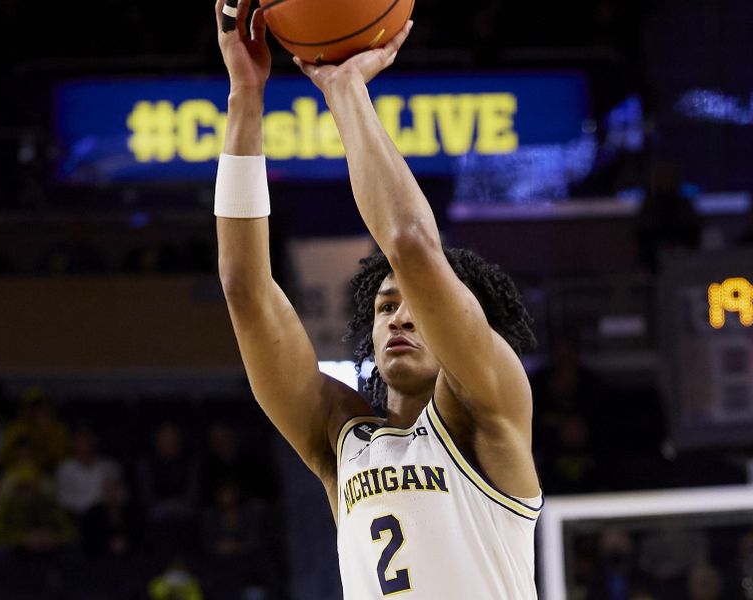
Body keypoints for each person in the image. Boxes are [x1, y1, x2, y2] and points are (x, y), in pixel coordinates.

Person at [213, 1, 542, 598]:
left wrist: (345, 90)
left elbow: (412, 245)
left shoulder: (491, 407)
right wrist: (245, 98)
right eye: (386, 306)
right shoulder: (339, 438)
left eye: (418, 306)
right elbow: (244, 289)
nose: (401, 316)